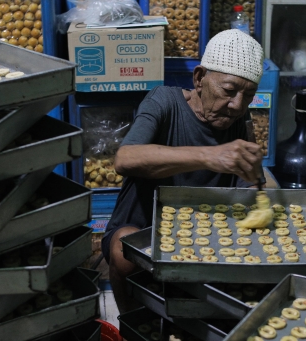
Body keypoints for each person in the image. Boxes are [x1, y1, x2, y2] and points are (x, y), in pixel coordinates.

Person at [101, 29, 266, 314]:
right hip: (144, 227)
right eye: (228, 91)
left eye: (248, 95)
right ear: (200, 78)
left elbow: (253, 183)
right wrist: (209, 156)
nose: (237, 105)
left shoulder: (237, 117)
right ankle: (130, 325)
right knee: (124, 250)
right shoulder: (164, 102)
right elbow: (125, 158)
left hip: (207, 231)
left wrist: (257, 188)